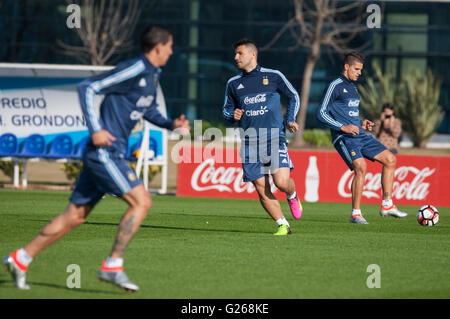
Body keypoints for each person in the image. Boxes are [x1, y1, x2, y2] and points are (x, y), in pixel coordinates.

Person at [3, 25, 190, 291]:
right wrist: (96, 130)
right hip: (105, 151)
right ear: (158, 47)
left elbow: (145, 108)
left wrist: (171, 124)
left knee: (75, 216)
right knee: (142, 201)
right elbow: (88, 87)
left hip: (107, 153)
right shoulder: (134, 68)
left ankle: (21, 258)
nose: (172, 52)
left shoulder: (152, 74)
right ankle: (113, 265)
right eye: (170, 46)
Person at [316, 51, 407, 224]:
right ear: (346, 67)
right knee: (361, 167)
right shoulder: (335, 85)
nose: (359, 72)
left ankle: (387, 205)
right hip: (343, 137)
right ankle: (355, 214)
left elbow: (347, 114)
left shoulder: (353, 87)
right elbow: (321, 113)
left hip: (359, 134)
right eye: (356, 69)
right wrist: (343, 127)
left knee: (390, 159)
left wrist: (360, 123)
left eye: (360, 70)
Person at [223, 39, 302, 236]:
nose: (236, 57)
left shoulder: (273, 76)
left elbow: (293, 95)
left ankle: (292, 194)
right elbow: (226, 110)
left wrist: (290, 119)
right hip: (249, 142)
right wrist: (232, 116)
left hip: (274, 138)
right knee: (261, 187)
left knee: (282, 182)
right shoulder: (233, 83)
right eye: (235, 54)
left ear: (252, 54)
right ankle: (282, 224)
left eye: (239, 53)